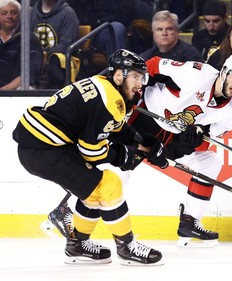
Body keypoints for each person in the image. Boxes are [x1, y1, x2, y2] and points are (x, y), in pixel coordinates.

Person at [12, 49, 169, 265]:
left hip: (41, 146)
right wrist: (122, 156)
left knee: (93, 191)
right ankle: (127, 247)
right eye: (135, 76)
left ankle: (77, 245)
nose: (140, 83)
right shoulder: (108, 100)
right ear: (118, 75)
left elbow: (113, 128)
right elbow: (92, 152)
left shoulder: (102, 85)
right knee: (109, 184)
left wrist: (141, 144)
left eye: (141, 77)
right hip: (46, 150)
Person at [127, 53, 232, 247]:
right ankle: (71, 211)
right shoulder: (197, 74)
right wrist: (129, 92)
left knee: (210, 162)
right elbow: (153, 65)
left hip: (173, 135)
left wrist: (193, 140)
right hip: (146, 116)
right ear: (224, 72)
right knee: (117, 170)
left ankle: (190, 222)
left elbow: (206, 139)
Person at [30, 0, 80, 89]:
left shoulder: (68, 14)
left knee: (55, 60)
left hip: (58, 63)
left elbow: (66, 45)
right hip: (35, 59)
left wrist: (43, 53)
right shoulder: (31, 13)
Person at [0, 0, 42, 90]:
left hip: (18, 89)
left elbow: (31, 73)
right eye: (4, 13)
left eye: (13, 13)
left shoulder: (30, 39)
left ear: (19, 16)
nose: (9, 16)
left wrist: (5, 90)